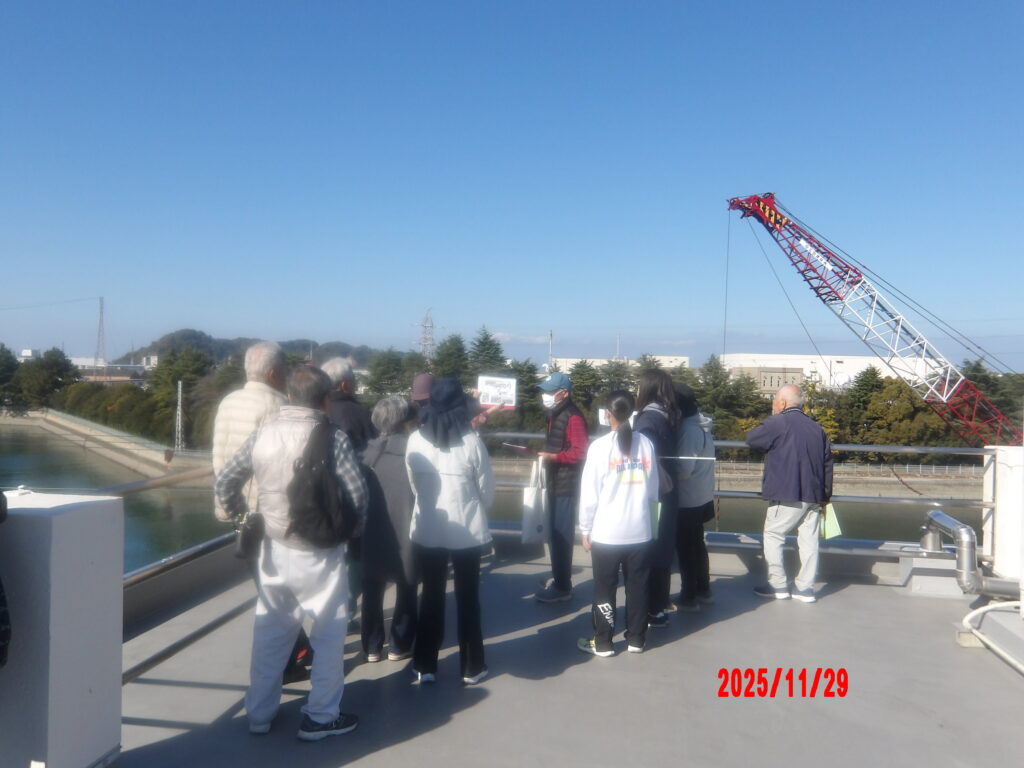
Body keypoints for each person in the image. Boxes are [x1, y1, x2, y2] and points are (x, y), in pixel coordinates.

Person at [215, 366, 368, 741]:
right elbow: (358, 494)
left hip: (272, 545)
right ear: (325, 400)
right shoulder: (332, 436)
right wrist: (351, 533)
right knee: (329, 633)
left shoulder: (263, 433)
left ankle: (259, 713)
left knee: (271, 633)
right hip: (320, 551)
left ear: (288, 397)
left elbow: (226, 481)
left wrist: (241, 516)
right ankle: (321, 716)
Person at [211, 342, 311, 678]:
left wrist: (232, 506)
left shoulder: (228, 401)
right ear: (272, 373)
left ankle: (295, 650)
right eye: (284, 370)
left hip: (236, 509)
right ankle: (290, 657)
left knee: (267, 586)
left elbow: (223, 462)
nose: (286, 376)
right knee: (279, 590)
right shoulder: (277, 406)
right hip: (267, 514)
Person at [405, 378, 495, 685]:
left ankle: (424, 665)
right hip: (466, 531)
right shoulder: (471, 441)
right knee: (468, 598)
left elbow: (414, 485)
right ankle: (472, 666)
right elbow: (486, 490)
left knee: (430, 595)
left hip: (428, 528)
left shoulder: (415, 440)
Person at [576, 390, 658, 657]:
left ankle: (603, 642)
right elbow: (654, 490)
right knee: (638, 587)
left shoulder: (600, 447)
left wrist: (585, 528)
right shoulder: (646, 444)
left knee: (604, 588)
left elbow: (589, 494)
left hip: (607, 533)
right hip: (641, 530)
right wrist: (652, 526)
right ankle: (637, 639)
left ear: (608, 414)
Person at [746, 383, 833, 603]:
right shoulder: (817, 428)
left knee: (774, 535)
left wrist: (772, 419)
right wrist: (825, 495)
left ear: (783, 403)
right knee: (809, 541)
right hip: (813, 493)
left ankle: (778, 585)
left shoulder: (778, 422)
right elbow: (827, 464)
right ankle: (805, 588)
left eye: (775, 400)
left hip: (786, 491)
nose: (773, 404)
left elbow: (752, 440)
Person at [360, 396, 419, 663]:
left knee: (371, 588)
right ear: (405, 421)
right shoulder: (416, 454)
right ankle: (399, 644)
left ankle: (372, 646)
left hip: (370, 530)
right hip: (407, 528)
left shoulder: (365, 454)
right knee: (407, 584)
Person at [535, 372, 588, 602]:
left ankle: (563, 587)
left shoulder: (572, 416)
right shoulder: (556, 413)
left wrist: (554, 457)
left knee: (562, 537)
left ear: (564, 393)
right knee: (555, 535)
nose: (545, 395)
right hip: (555, 480)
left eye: (550, 391)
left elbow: (580, 452)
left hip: (566, 483)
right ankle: (559, 581)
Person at [633, 369, 680, 627]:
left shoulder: (647, 419)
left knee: (648, 548)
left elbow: (643, 461)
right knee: (662, 548)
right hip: (669, 490)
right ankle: (659, 606)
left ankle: (649, 608)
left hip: (654, 494)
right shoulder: (669, 414)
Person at [672, 382, 716, 611]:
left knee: (686, 549)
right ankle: (703, 589)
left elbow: (684, 469)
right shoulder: (703, 426)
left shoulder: (688, 431)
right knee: (697, 545)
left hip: (687, 500)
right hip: (702, 496)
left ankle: (688, 597)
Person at [321, 357, 376, 455]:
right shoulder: (360, 413)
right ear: (344, 385)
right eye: (354, 379)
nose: (356, 383)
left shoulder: (313, 408)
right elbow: (372, 449)